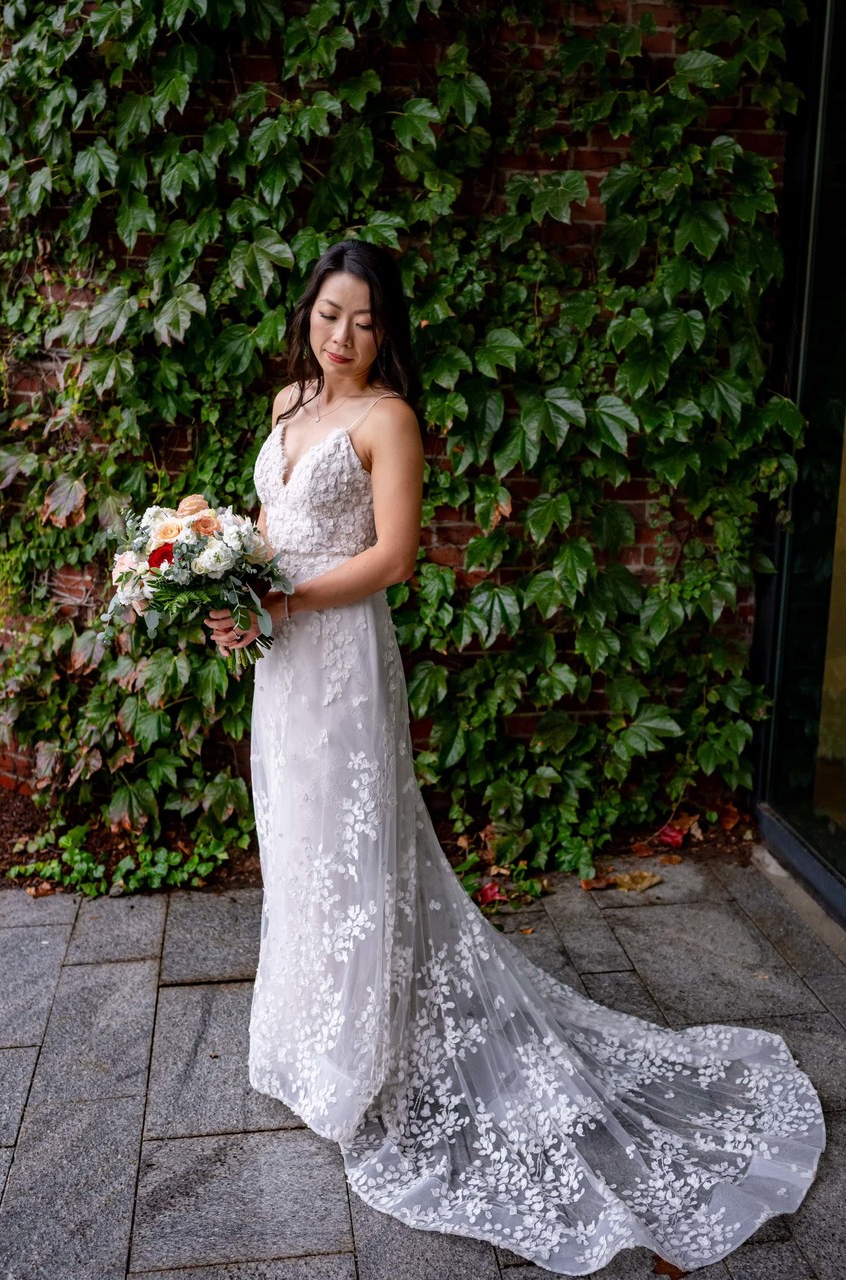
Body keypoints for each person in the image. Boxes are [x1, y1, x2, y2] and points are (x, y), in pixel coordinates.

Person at [204, 240, 825, 1276]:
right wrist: (234, 601)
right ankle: (309, 1039)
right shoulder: (285, 404)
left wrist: (287, 599)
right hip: (283, 659)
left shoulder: (386, 418)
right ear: (304, 314)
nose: (341, 337)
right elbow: (270, 528)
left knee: (356, 855)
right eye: (326, 314)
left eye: (361, 319)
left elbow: (394, 555)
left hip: (345, 655)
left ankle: (367, 1061)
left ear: (388, 326)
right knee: (297, 842)